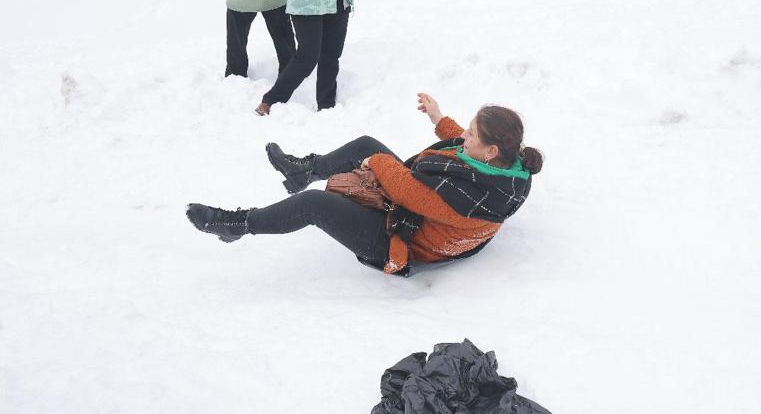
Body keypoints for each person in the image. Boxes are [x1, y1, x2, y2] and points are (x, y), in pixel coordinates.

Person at [186, 94, 544, 275]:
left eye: (471, 133)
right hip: (415, 208)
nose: (463, 136)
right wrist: (438, 118)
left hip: (403, 239)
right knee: (365, 143)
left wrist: (376, 164)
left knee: (316, 204)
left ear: (491, 148)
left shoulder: (467, 200)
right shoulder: (506, 164)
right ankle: (301, 171)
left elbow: (407, 191)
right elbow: (461, 147)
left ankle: (237, 225)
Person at [254, 0, 376, 116]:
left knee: (331, 55)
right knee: (307, 57)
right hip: (307, 1)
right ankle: (270, 101)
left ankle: (326, 106)